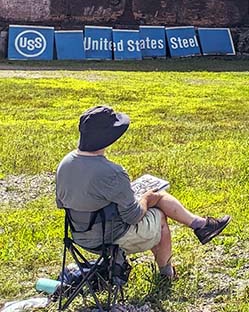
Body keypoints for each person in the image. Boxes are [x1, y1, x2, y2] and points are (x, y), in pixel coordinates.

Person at [55, 106, 230, 280]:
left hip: (79, 236)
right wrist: (145, 198)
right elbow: (133, 216)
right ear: (109, 138)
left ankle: (200, 225)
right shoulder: (112, 172)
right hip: (111, 238)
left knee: (156, 197)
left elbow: (62, 202)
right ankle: (167, 273)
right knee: (159, 213)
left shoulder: (65, 163)